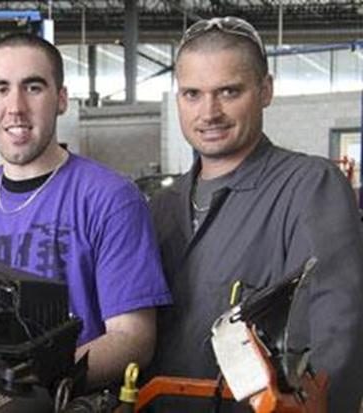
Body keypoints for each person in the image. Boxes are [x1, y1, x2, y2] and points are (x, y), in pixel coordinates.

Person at [0, 33, 172, 388]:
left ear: (61, 99)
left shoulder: (111, 199)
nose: (15, 107)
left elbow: (132, 339)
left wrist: (30, 386)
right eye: (0, 88)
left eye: (33, 87)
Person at [148, 16, 363, 411]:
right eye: (192, 94)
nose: (208, 112)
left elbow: (338, 330)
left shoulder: (309, 186)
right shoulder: (160, 207)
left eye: (229, 92)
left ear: (265, 90)